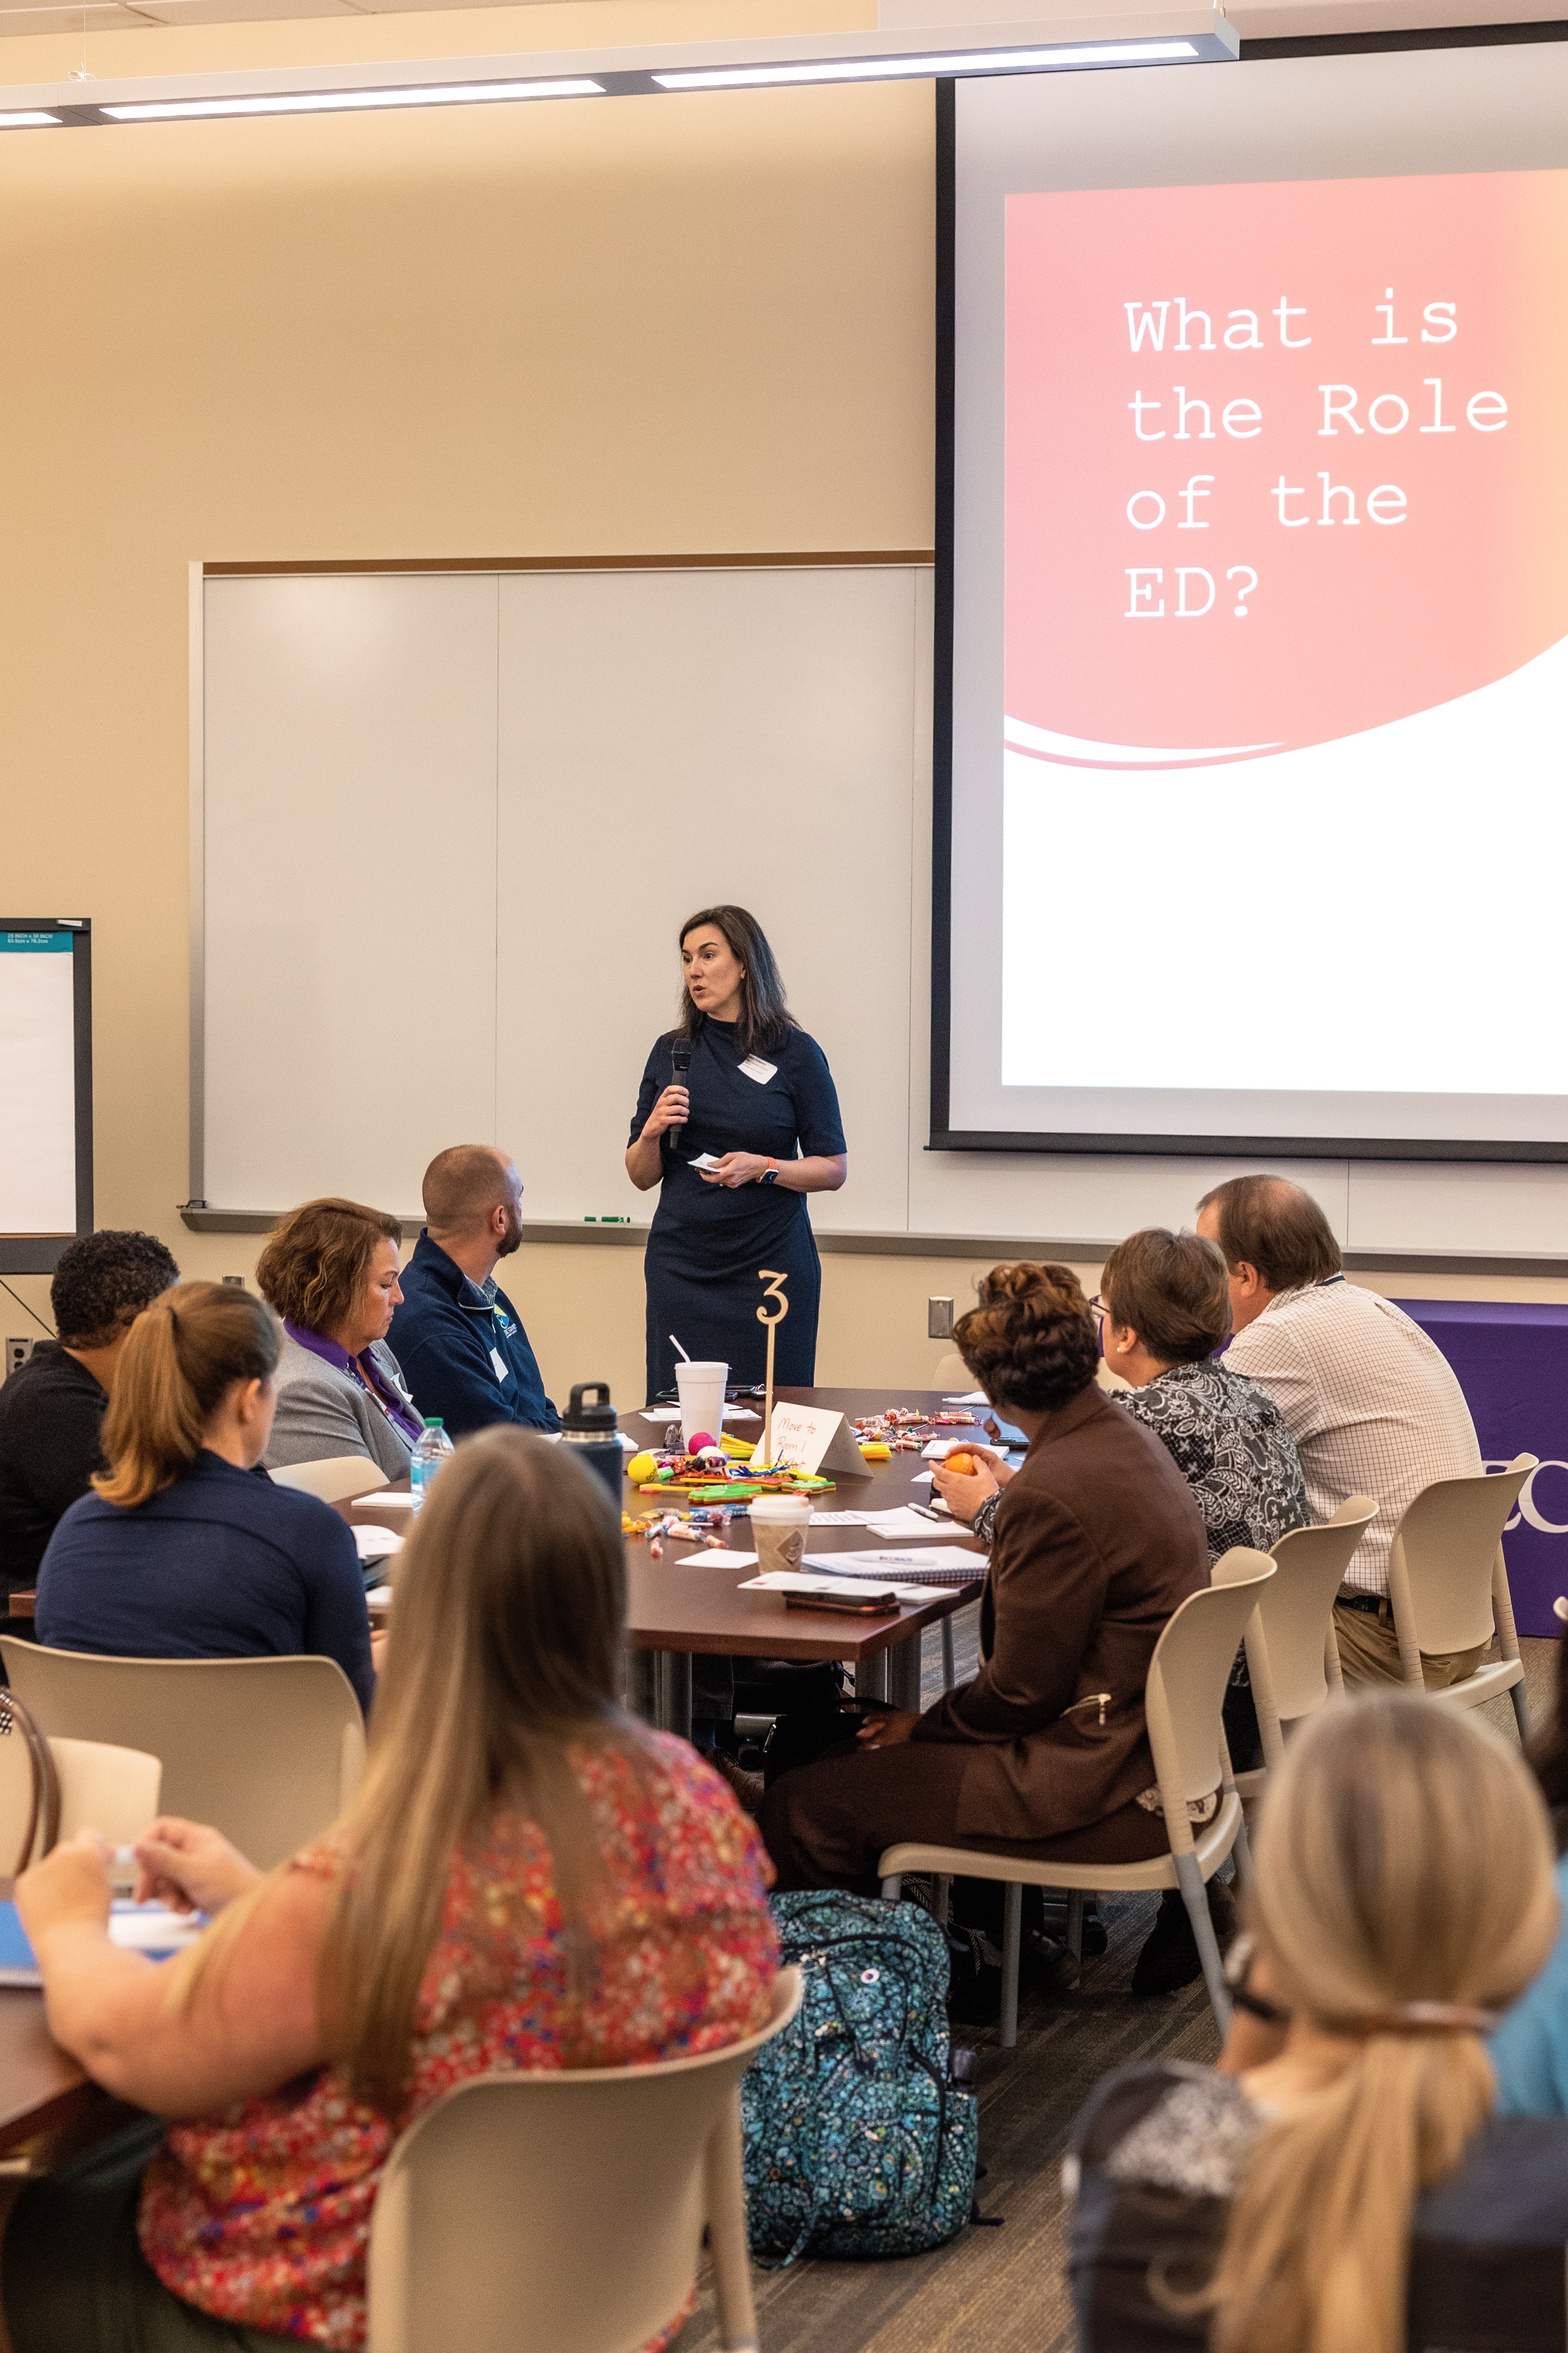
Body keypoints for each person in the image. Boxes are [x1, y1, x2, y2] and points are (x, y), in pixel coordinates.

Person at [5, 1430, 778, 2351]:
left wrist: (63, 1920)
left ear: (421, 1610)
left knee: (42, 2216)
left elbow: (131, 2047)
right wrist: (257, 1897)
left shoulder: (399, 1873)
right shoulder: (697, 1803)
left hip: (355, 2304)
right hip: (589, 2293)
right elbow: (435, 1975)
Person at [1068, 1693, 1568, 2353]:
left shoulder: (1128, 2137)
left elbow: (1234, 2109)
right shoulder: (1547, 2193)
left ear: (1272, 1920)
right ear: (1526, 1939)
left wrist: (1265, 1992)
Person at [936, 1227, 1309, 1996]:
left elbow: (1079, 1540)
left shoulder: (1144, 1421)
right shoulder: (1248, 1394)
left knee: (1015, 1686)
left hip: (1179, 1704)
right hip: (1261, 1673)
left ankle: (992, 1937)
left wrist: (988, 1510)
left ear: (1122, 1330)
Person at [761, 1263, 1208, 1893]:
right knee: (822, 1741)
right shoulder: (1122, 1438)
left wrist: (922, 1726)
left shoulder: (1053, 1495)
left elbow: (1020, 1695)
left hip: (1088, 1781)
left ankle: (888, 1968)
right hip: (1143, 1751)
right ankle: (961, 1939)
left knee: (801, 1805)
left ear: (991, 1388)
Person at [1195, 1174, 1485, 1691]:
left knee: (1179, 1633)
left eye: (1207, 1266)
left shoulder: (1280, 1334)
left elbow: (1177, 1471)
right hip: (1459, 1631)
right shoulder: (1373, 1307)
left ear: (1244, 1275)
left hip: (1383, 1645)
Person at [36, 1282, 374, 1711]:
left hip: (106, 1777)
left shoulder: (75, 1530)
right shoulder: (308, 1531)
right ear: (249, 1400)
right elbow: (355, 1713)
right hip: (269, 1777)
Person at [627, 906, 847, 1406]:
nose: (695, 971)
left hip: (768, 1268)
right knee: (679, 1420)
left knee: (770, 1416)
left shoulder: (795, 1052)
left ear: (745, 964)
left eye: (708, 955)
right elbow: (641, 1176)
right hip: (682, 1266)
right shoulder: (671, 1051)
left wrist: (764, 1168)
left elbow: (833, 1168)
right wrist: (651, 1134)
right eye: (686, 959)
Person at [0, 1231, 179, 1601]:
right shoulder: (48, 1403)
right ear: (142, 1321)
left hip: (99, 1601)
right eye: (175, 1320)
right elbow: (160, 1517)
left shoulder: (95, 1388)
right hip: (48, 1629)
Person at [387, 1147, 557, 1438]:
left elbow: (538, 1405)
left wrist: (570, 1428)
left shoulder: (487, 1294)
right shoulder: (431, 1325)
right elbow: (500, 1439)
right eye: (519, 1197)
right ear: (500, 1219)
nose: (521, 1207)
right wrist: (573, 1432)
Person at [255, 1198, 423, 1477]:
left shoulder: (375, 1349)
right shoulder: (304, 1391)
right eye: (385, 1284)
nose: (400, 1297)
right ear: (336, 1290)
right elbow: (360, 1504)